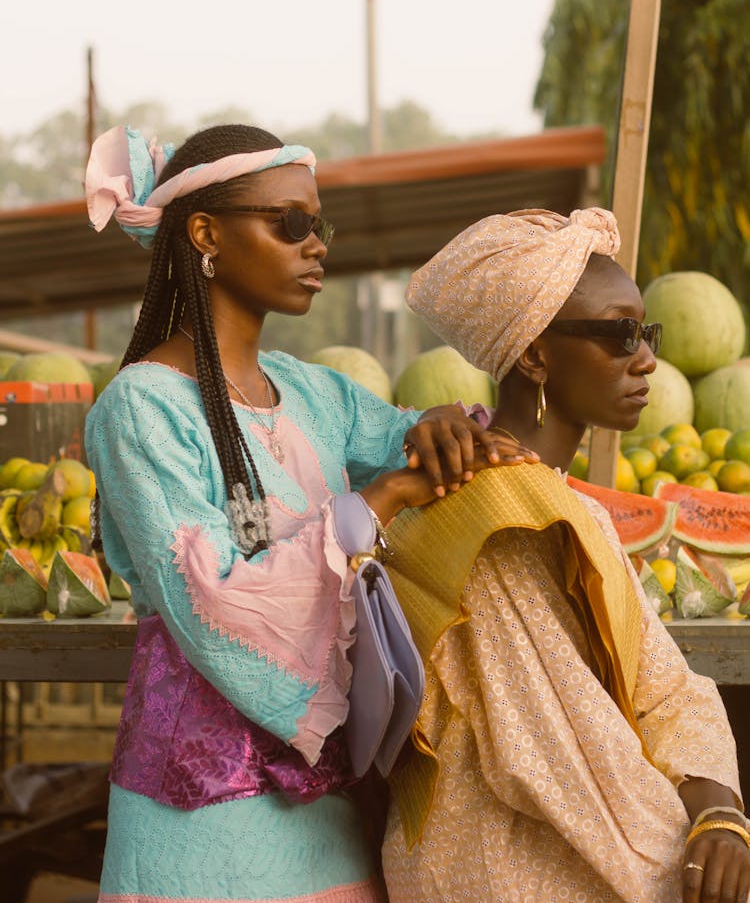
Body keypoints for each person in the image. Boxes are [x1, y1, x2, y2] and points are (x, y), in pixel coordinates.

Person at [82, 122, 536, 903]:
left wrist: (439, 427)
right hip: (197, 830)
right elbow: (212, 604)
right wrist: (382, 498)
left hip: (325, 813)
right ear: (205, 233)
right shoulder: (141, 408)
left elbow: (412, 439)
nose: (316, 243)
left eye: (318, 224)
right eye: (289, 222)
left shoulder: (313, 391)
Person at [380, 207, 750, 903]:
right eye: (620, 335)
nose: (646, 358)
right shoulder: (492, 520)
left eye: (647, 332)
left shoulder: (557, 498)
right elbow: (556, 759)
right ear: (534, 355)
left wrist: (720, 811)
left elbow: (664, 688)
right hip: (505, 872)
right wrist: (685, 844)